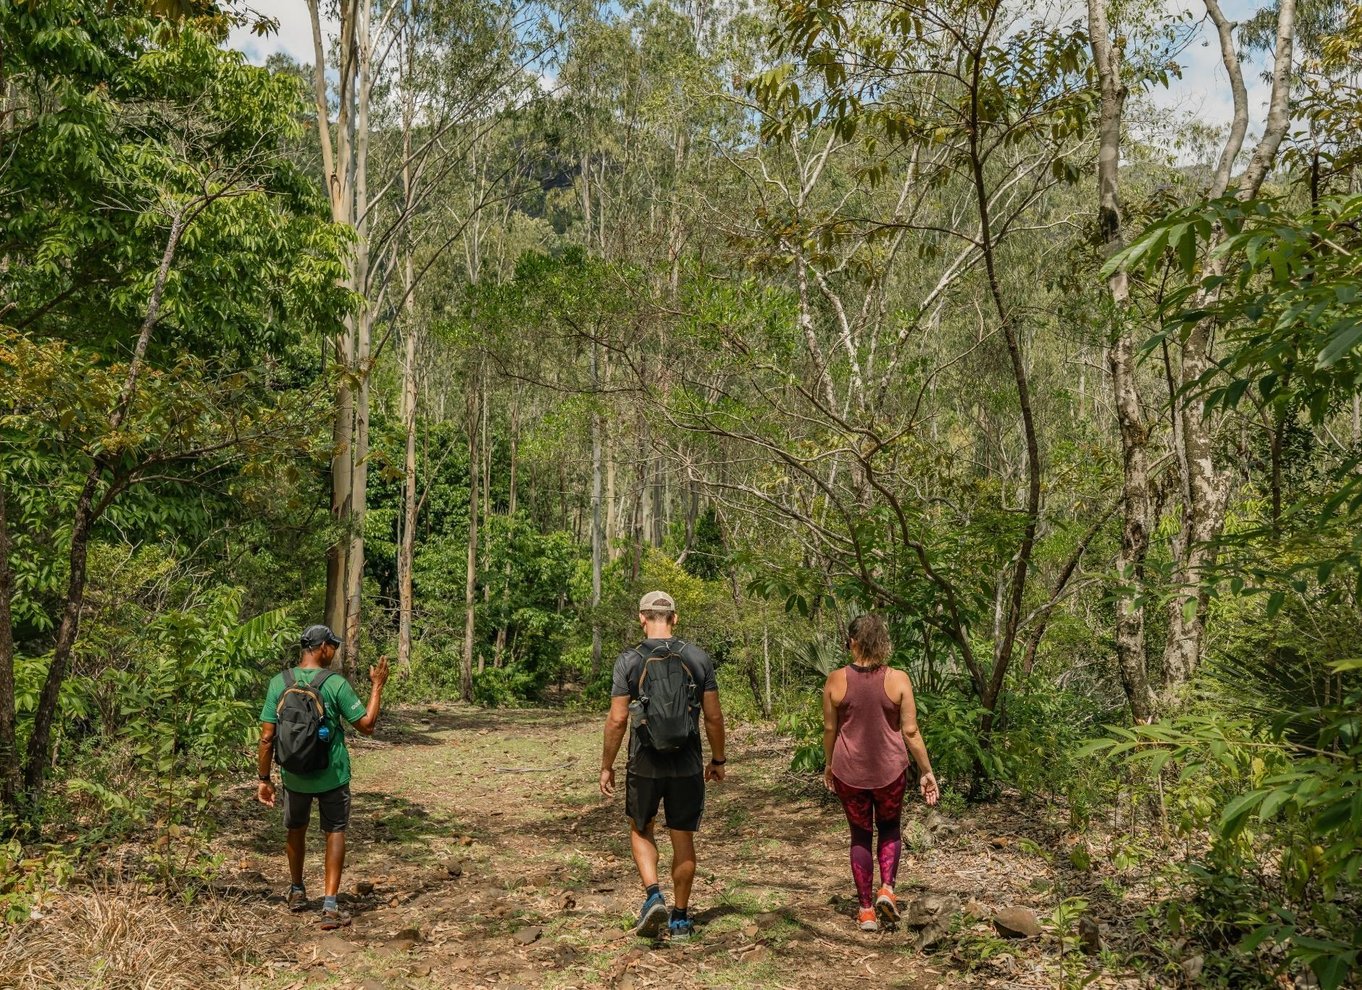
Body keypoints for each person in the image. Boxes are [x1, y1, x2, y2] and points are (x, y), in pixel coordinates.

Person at [600, 591, 727, 942]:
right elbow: (714, 718)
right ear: (675, 617)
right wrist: (717, 759)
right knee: (682, 835)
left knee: (641, 828)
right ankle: (682, 919)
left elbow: (616, 720)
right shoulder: (698, 658)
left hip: (643, 762)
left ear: (642, 618)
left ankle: (654, 896)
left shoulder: (629, 660)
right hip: (687, 763)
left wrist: (607, 765)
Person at [257, 624, 390, 930]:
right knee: (335, 831)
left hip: (294, 777)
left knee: (296, 829)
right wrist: (377, 686)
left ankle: (297, 890)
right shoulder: (335, 684)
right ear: (321, 648)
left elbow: (266, 738)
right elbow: (367, 725)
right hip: (332, 775)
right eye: (333, 645)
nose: (335, 651)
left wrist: (264, 778)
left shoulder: (280, 682)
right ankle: (329, 906)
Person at [822, 613, 939, 932]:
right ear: (882, 643)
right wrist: (926, 771)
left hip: (850, 772)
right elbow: (911, 732)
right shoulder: (899, 679)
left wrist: (829, 764)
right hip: (890, 772)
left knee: (860, 835)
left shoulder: (835, 679)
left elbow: (830, 729)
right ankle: (887, 890)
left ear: (853, 642)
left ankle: (865, 912)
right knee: (889, 828)